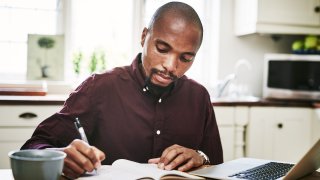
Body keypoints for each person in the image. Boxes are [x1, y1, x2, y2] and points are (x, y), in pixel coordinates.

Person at [21, 1, 223, 179]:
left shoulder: (199, 97)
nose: (171, 66)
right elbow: (33, 147)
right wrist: (61, 156)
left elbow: (218, 166)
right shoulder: (98, 88)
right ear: (144, 37)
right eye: (162, 49)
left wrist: (201, 157)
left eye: (185, 58)